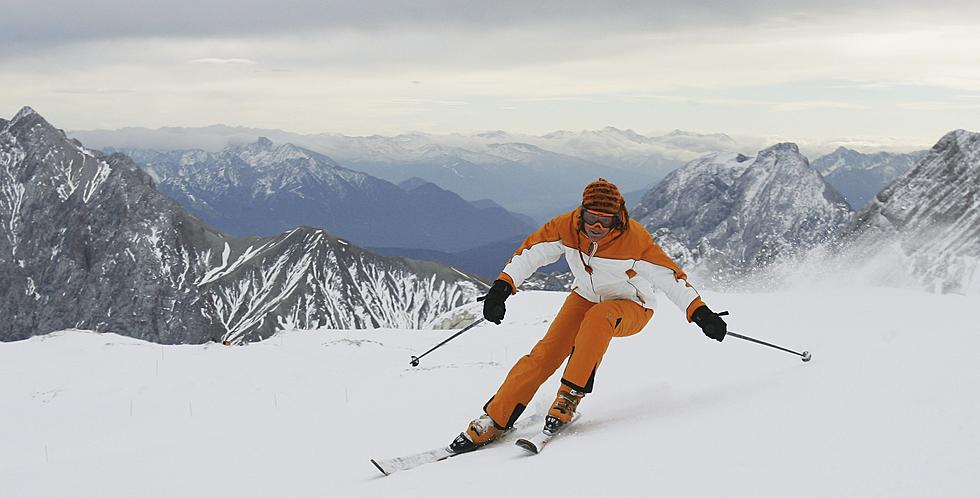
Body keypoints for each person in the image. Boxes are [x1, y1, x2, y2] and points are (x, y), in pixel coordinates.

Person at [448, 178, 728, 453]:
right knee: (545, 354)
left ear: (618, 218)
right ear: (581, 213)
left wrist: (700, 313)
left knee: (599, 316)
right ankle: (496, 418)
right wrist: (502, 287)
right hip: (585, 296)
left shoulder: (634, 240)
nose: (596, 227)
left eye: (605, 221)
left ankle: (568, 398)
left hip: (632, 305)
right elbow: (530, 254)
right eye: (591, 217)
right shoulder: (567, 227)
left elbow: (671, 279)